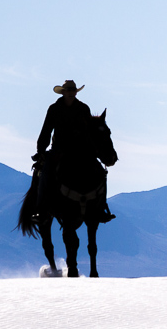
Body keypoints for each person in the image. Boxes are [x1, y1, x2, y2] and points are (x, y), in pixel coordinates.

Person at [33, 80, 115, 223]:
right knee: (45, 172)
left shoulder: (83, 109)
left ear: (76, 92)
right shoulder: (54, 109)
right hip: (59, 149)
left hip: (80, 148)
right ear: (63, 92)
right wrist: (41, 149)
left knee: (101, 172)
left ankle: (100, 207)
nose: (71, 93)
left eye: (73, 90)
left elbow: (89, 131)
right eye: (68, 90)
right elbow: (46, 130)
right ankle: (41, 209)